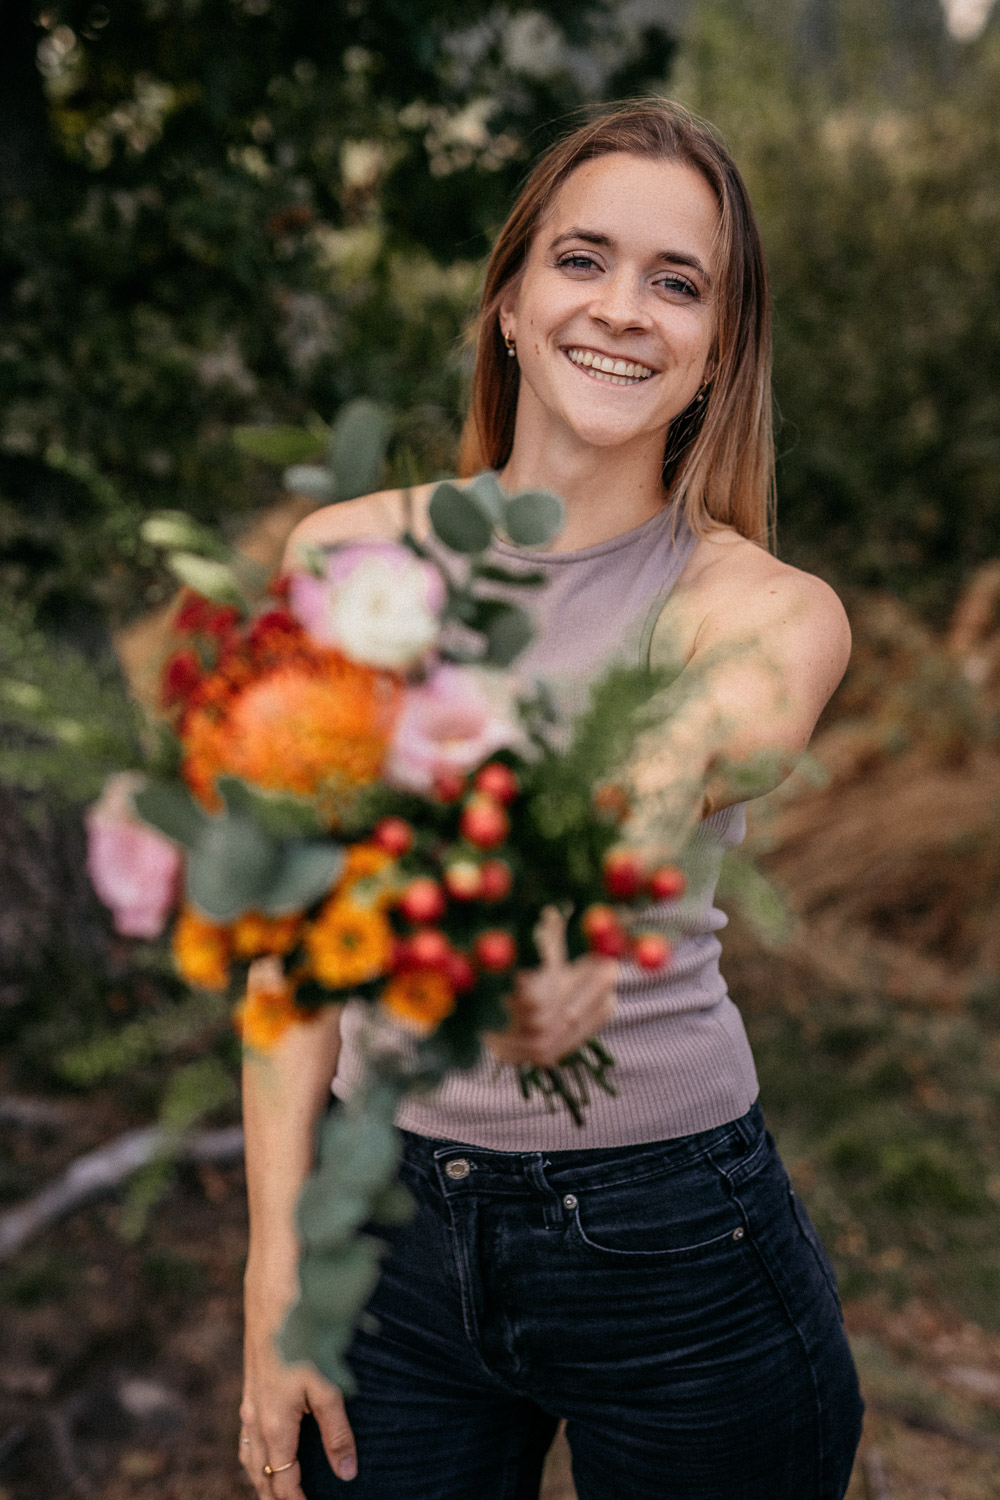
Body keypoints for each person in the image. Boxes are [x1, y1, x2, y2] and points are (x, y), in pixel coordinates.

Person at [238, 99, 863, 1500]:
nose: (623, 310)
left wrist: (583, 914)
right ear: (511, 302)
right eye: (583, 260)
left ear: (716, 351)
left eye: (677, 281)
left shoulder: (761, 603)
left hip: (677, 1248)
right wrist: (278, 1261)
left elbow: (684, 747)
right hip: (377, 1235)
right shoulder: (343, 560)